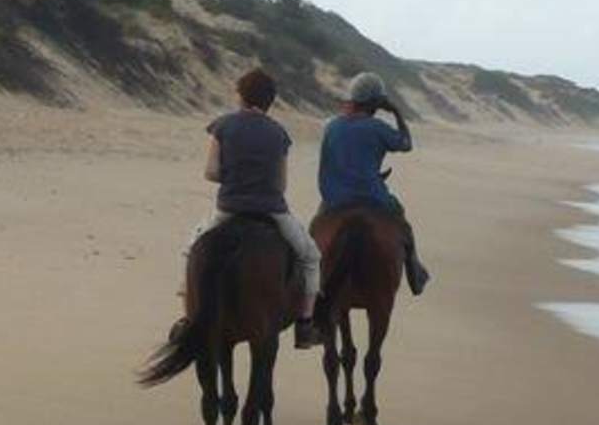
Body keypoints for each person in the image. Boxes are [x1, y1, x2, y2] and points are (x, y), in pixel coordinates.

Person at [179, 68, 324, 349]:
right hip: (272, 211)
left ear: (241, 96)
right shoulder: (279, 133)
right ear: (270, 101)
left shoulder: (222, 126)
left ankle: (188, 320)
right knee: (310, 257)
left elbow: (210, 172)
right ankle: (305, 324)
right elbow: (281, 184)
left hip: (229, 209)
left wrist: (235, 176)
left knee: (191, 251)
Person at [317, 72, 431, 295]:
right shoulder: (378, 128)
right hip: (372, 197)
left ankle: (311, 282)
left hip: (335, 199)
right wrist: (397, 112)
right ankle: (415, 272)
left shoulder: (331, 126)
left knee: (316, 230)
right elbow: (406, 143)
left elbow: (328, 164)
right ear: (377, 103)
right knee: (401, 219)